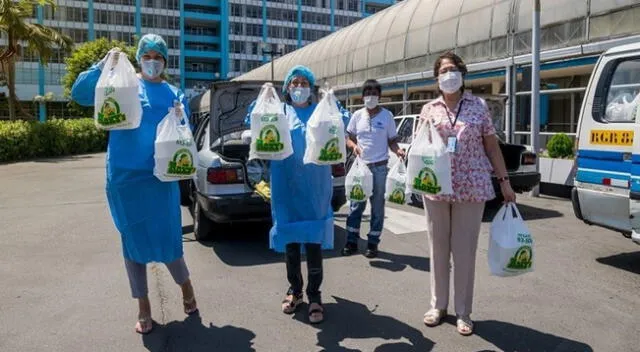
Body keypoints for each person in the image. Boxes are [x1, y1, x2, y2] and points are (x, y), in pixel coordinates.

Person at [71, 34, 197, 335]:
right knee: (133, 242)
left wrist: (182, 116)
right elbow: (81, 95)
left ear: (165, 61)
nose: (152, 61)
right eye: (148, 55)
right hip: (126, 177)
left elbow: (185, 133)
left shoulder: (172, 92)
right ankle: (143, 304)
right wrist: (101, 66)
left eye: (158, 56)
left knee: (169, 241)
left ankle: (187, 287)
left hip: (160, 178)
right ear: (140, 57)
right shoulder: (121, 82)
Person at [418, 52, 516, 336]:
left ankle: (463, 311)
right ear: (437, 78)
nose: (448, 74)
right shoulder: (429, 108)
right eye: (443, 70)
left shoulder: (478, 106)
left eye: (453, 69)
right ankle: (438, 306)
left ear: (462, 74)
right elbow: (420, 147)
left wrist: (505, 181)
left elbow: (491, 146)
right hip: (435, 188)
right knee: (437, 249)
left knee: (464, 253)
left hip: (471, 186)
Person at [246, 66, 349, 324]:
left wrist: (332, 103)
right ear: (287, 89)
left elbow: (343, 122)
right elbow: (253, 120)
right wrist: (262, 99)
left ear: (310, 87)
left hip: (315, 188)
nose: (299, 86)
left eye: (304, 82)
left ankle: (315, 295)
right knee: (291, 244)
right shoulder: (280, 111)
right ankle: (295, 290)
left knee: (313, 244)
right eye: (294, 82)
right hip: (286, 186)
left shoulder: (319, 111)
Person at [342, 79, 406, 258]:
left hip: (379, 169)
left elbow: (392, 140)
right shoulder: (357, 116)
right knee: (356, 205)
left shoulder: (387, 116)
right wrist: (353, 146)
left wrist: (398, 150)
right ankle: (351, 241)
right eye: (367, 92)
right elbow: (349, 137)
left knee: (378, 208)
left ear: (380, 96)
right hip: (361, 168)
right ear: (363, 96)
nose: (371, 95)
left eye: (374, 92)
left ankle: (372, 243)